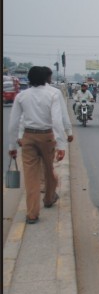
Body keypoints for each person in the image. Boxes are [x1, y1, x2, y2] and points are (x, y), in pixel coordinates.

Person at [7, 66, 67, 224]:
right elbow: (57, 120)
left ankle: (32, 214)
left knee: (31, 177)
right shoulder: (53, 94)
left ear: (29, 79)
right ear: (45, 78)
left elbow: (13, 124)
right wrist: (61, 145)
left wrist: (12, 147)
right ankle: (48, 199)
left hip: (28, 137)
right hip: (47, 136)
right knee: (49, 170)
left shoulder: (22, 96)